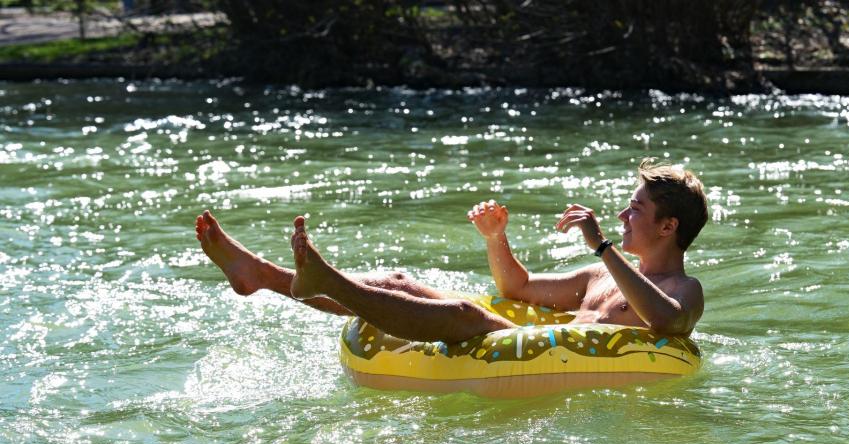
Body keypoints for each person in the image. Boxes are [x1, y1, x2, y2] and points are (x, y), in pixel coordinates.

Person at [195, 160, 708, 344]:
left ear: (668, 226)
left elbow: (666, 323)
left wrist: (601, 246)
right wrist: (494, 239)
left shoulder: (685, 290)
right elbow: (517, 289)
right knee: (397, 280)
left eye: (635, 210)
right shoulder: (598, 279)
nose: (622, 217)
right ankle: (261, 274)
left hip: (551, 356)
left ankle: (324, 279)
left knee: (465, 314)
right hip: (535, 337)